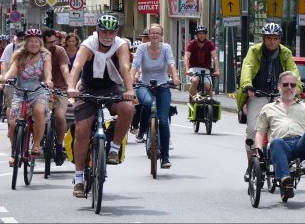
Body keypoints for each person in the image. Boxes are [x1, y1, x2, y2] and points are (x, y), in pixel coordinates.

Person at [67, 15, 134, 198]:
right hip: (88, 89)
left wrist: (129, 90)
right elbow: (77, 67)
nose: (107, 35)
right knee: (82, 131)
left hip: (112, 87)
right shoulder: (88, 45)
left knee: (128, 108)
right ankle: (79, 179)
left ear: (116, 32)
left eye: (111, 31)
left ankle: (113, 148)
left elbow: (125, 67)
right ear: (97, 31)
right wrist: (72, 87)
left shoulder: (120, 45)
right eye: (104, 31)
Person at [236, 22, 301, 181]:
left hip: (279, 95)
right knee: (252, 130)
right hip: (257, 94)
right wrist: (247, 85)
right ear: (263, 39)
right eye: (269, 38)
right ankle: (251, 164)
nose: (272, 42)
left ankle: (286, 162)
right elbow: (248, 67)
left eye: (276, 38)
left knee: (287, 128)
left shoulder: (285, 53)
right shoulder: (254, 51)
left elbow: (293, 71)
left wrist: (297, 87)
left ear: (280, 39)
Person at [255, 71, 305, 199]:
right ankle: (286, 181)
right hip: (281, 146)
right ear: (279, 86)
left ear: (296, 88)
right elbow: (260, 132)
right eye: (286, 85)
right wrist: (258, 149)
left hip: (300, 144)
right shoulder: (268, 108)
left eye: (292, 85)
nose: (289, 88)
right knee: (276, 142)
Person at [130, 23, 180, 167]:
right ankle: (143, 128)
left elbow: (171, 63)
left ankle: (165, 157)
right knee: (146, 103)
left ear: (161, 35)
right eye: (152, 33)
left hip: (163, 85)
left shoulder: (166, 48)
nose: (155, 35)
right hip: (144, 85)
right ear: (148, 35)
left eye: (158, 33)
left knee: (164, 120)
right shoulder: (142, 48)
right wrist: (131, 79)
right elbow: (135, 65)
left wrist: (175, 78)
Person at [0, 29, 53, 165]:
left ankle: (36, 145)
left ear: (40, 43)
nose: (33, 44)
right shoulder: (19, 56)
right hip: (20, 92)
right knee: (12, 124)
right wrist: (5, 77)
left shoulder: (45, 55)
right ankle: (14, 152)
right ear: (26, 43)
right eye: (30, 41)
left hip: (38, 91)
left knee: (39, 111)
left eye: (36, 41)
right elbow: (12, 71)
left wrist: (48, 80)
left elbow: (48, 72)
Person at [42, 29, 71, 166]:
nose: (52, 44)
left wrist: (69, 85)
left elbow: (64, 67)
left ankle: (59, 147)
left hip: (60, 89)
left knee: (60, 116)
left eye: (54, 41)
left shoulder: (59, 51)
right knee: (38, 114)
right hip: (40, 90)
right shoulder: (36, 51)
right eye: (49, 42)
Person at [0, 31, 25, 142]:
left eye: (24, 40)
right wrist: (5, 76)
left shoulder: (34, 49)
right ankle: (11, 127)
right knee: (11, 106)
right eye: (19, 40)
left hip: (30, 84)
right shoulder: (11, 47)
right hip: (13, 81)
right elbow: (4, 63)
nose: (21, 42)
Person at [184, 25, 220, 100]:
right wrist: (187, 69)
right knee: (195, 80)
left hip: (206, 69)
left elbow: (215, 57)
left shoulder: (209, 44)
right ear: (196, 35)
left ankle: (210, 104)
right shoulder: (192, 44)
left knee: (208, 87)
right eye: (199, 33)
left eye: (203, 33)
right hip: (194, 69)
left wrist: (217, 70)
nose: (201, 35)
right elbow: (186, 57)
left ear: (205, 35)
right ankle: (192, 99)